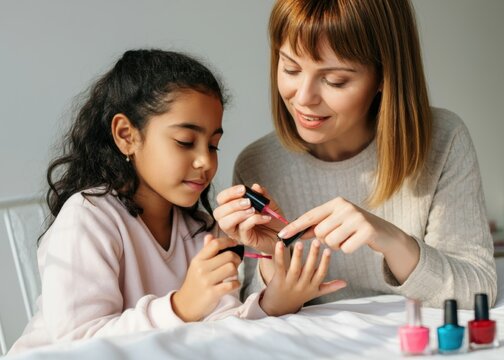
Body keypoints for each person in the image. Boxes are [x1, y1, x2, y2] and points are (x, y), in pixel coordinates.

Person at [9, 49, 345, 354]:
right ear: (127, 135)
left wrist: (274, 302)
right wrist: (181, 307)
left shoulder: (201, 229)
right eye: (185, 142)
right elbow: (77, 344)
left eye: (213, 145)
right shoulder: (88, 217)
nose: (206, 162)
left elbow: (219, 330)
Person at [213, 0, 496, 310]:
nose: (304, 98)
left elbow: (477, 288)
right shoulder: (257, 163)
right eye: (290, 68)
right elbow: (257, 308)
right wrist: (274, 255)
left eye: (335, 80)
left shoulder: (443, 139)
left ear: (384, 77)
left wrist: (389, 238)